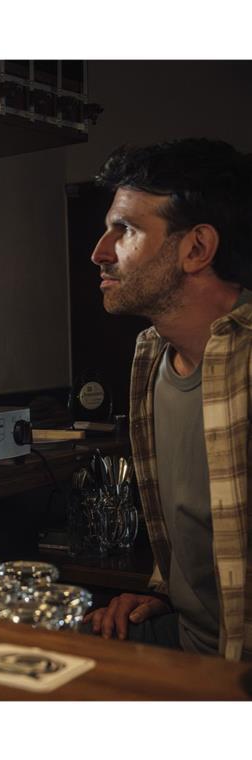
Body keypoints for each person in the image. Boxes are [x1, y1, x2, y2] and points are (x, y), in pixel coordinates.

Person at [84, 138, 252, 661]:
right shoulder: (151, 356)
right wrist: (167, 599)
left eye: (126, 230)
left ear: (197, 249)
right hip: (187, 640)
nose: (100, 252)